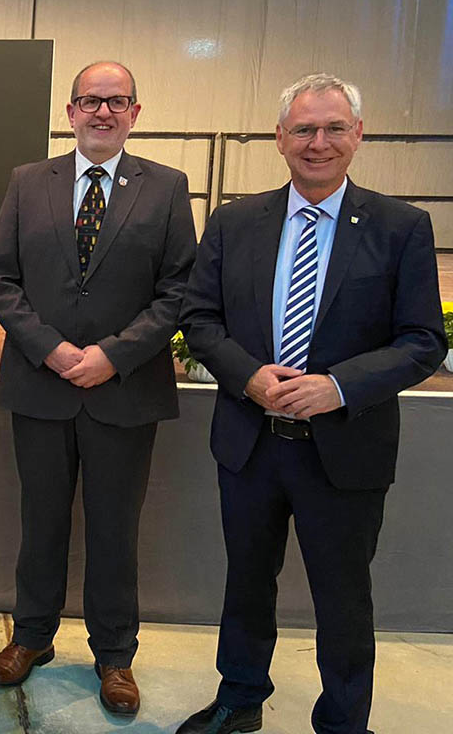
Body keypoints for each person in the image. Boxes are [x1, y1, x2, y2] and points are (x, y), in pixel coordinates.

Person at [176, 74, 446, 734]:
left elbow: (422, 341)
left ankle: (344, 722)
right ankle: (240, 698)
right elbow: (199, 318)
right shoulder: (235, 222)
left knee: (343, 596)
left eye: (333, 129)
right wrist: (247, 377)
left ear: (358, 135)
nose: (317, 142)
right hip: (251, 443)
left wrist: (338, 386)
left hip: (345, 450)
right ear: (279, 138)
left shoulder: (401, 227)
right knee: (246, 582)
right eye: (303, 129)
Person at [0, 61, 197, 718]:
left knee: (114, 530)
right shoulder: (28, 182)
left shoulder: (166, 188)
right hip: (41, 388)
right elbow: (1, 280)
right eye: (91, 101)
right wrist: (48, 347)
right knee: (40, 522)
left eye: (117, 101)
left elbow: (179, 290)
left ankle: (114, 654)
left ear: (135, 113)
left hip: (123, 392)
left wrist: (114, 355)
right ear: (70, 111)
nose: (103, 112)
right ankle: (31, 636)